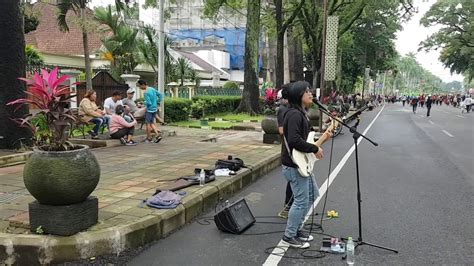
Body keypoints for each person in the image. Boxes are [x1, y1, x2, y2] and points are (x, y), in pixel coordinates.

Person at [281, 81, 324, 249]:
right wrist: (314, 148)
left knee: (312, 195)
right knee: (300, 201)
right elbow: (293, 140)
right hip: (294, 165)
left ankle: (297, 230)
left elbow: (304, 137)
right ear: (299, 95)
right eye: (307, 91)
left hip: (301, 164)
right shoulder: (293, 115)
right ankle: (289, 235)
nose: (311, 94)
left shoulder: (301, 113)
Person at [276, 84, 292, 219]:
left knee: (295, 180)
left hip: (293, 148)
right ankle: (288, 206)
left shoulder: (291, 109)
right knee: (293, 179)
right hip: (288, 148)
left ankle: (291, 206)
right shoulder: (282, 109)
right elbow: (281, 130)